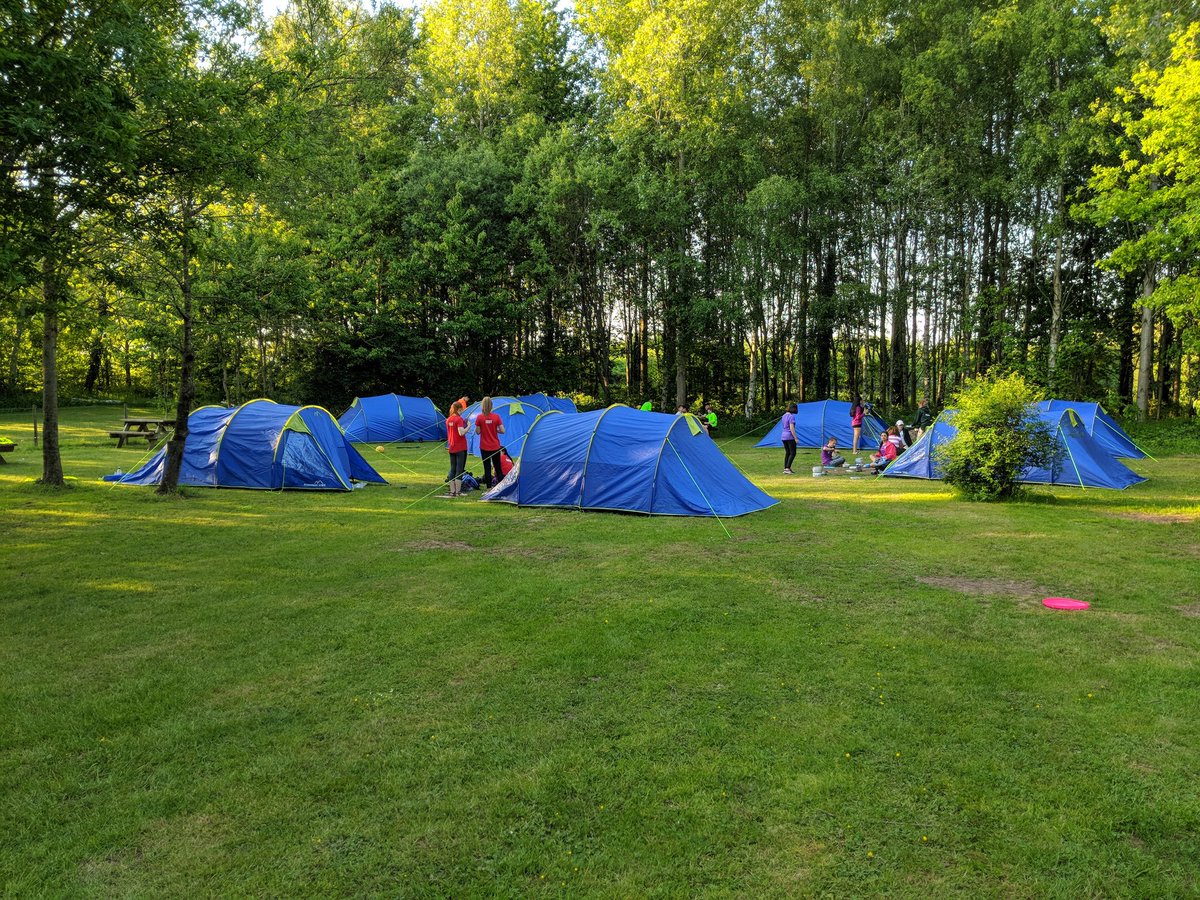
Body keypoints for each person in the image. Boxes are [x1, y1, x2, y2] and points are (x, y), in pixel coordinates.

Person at [474, 396, 506, 488]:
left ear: (482, 406)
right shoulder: (496, 417)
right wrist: (495, 430)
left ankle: (488, 488)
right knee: (498, 467)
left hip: (484, 447)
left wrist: (483, 427)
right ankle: (501, 488)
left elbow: (477, 432)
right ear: (491, 406)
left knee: (487, 468)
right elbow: (503, 431)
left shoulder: (479, 417)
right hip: (495, 446)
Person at [445, 400, 469, 497]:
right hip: (460, 447)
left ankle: (452, 491)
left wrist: (464, 424)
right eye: (461, 410)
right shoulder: (459, 419)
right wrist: (468, 426)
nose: (462, 412)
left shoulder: (448, 420)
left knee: (452, 469)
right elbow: (461, 433)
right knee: (459, 469)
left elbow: (453, 431)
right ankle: (458, 492)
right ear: (458, 409)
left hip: (451, 447)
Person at [780, 402, 800, 474]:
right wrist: (795, 438)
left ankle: (786, 468)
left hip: (783, 436)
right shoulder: (791, 417)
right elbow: (792, 428)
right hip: (789, 437)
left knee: (788, 453)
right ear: (793, 408)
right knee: (793, 453)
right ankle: (787, 468)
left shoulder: (783, 416)